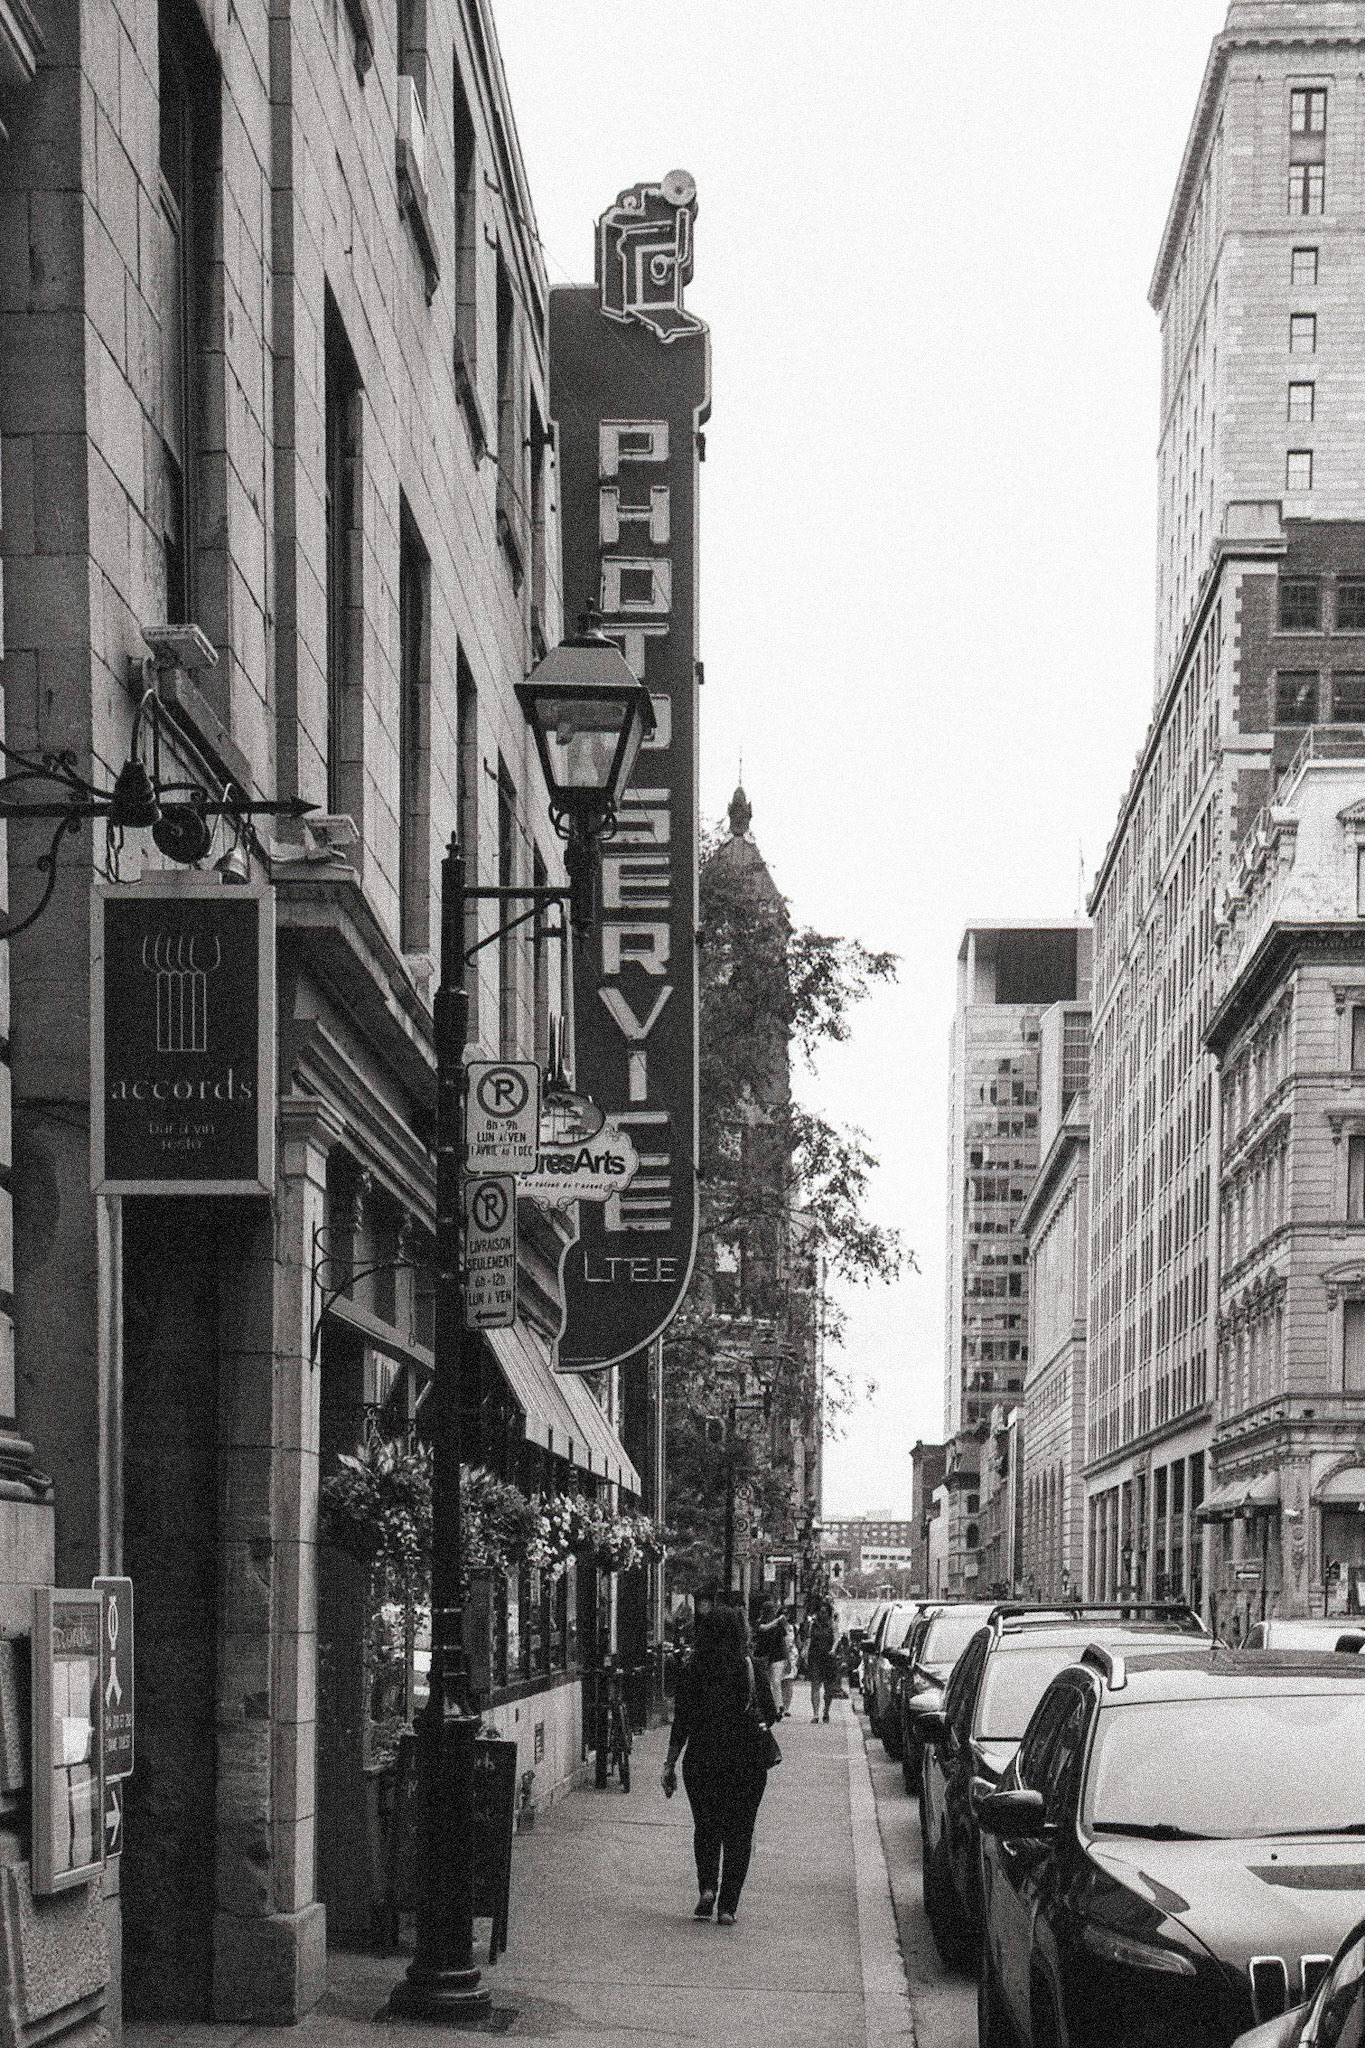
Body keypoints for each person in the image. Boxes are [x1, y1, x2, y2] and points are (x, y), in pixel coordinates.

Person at [660, 1603, 776, 1925]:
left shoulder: (693, 1669)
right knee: (740, 1832)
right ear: (740, 1633)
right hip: (746, 1762)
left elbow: (680, 1722)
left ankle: (707, 1887)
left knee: (706, 1827)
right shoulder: (751, 1668)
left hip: (702, 1759)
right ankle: (728, 1906)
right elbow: (770, 1713)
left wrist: (669, 1764)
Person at [753, 1599, 787, 1720]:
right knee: (765, 1683)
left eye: (772, 1610)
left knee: (776, 1682)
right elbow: (763, 1628)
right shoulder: (760, 1622)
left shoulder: (779, 1625)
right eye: (769, 1611)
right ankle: (768, 1707)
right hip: (763, 1657)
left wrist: (787, 1658)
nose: (771, 1613)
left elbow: (783, 1641)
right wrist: (777, 1621)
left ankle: (779, 1707)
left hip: (777, 1656)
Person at [806, 1600, 839, 1722]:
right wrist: (805, 1652)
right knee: (815, 1685)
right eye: (820, 1612)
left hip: (828, 1658)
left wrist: (833, 1649)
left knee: (828, 1688)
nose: (822, 1614)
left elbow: (836, 1638)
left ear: (828, 1613)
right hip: (815, 1657)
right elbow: (809, 1638)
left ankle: (826, 1710)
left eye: (825, 1612)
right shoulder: (813, 1624)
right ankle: (815, 1714)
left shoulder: (832, 1624)